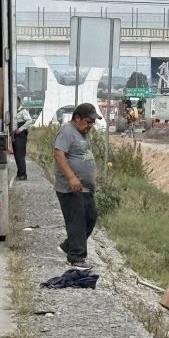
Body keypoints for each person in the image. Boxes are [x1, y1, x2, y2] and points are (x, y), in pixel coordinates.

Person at [53, 103, 102, 269]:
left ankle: (68, 246)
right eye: (88, 121)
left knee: (90, 218)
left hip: (85, 188)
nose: (90, 125)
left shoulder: (82, 133)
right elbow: (59, 154)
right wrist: (72, 178)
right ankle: (76, 258)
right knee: (77, 222)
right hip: (70, 188)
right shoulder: (67, 131)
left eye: (92, 123)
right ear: (77, 118)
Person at [13, 97, 31, 180]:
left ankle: (23, 174)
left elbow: (30, 121)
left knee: (20, 155)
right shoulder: (13, 111)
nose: (15, 103)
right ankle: (19, 173)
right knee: (17, 155)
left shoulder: (23, 111)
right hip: (15, 136)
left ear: (19, 102)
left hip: (21, 135)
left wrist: (20, 129)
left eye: (16, 101)